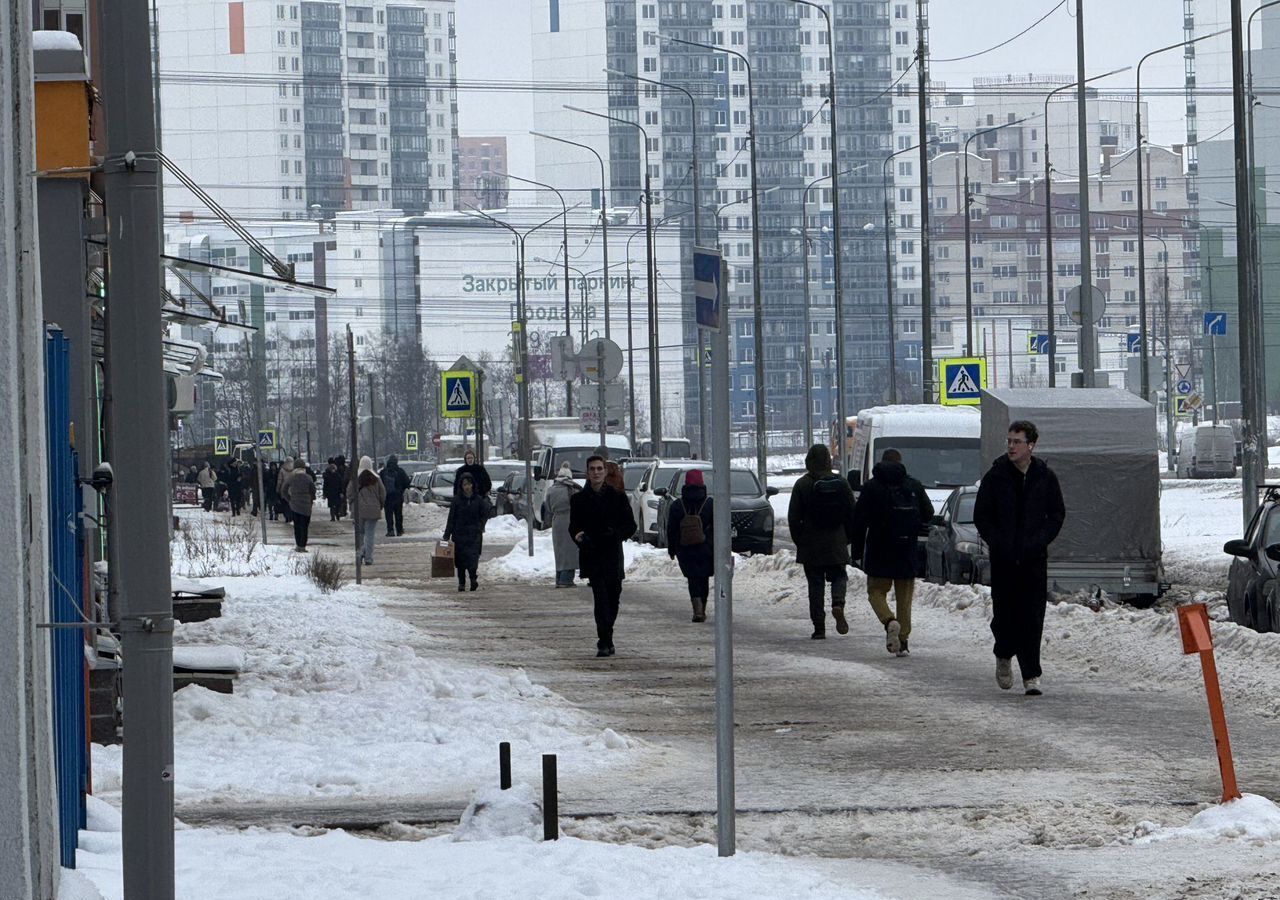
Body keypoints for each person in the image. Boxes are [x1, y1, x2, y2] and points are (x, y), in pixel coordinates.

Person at [974, 420, 1066, 697]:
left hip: (1034, 560)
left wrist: (1039, 540)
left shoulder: (1044, 477)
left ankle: (1031, 674)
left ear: (1031, 445)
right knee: (1005, 615)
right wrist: (998, 542)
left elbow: (1056, 515)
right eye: (1009, 441)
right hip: (1004, 560)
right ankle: (1003, 654)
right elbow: (982, 516)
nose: (1011, 446)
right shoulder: (996, 476)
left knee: (1032, 616)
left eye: (1017, 441)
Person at [850, 448, 934, 657]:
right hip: (906, 549)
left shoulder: (871, 487)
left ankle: (889, 620)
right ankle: (903, 641)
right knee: (904, 599)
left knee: (876, 593)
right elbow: (929, 513)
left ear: (882, 462)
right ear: (900, 463)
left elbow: (858, 521)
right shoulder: (912, 485)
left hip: (879, 549)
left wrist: (857, 552)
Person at [569, 454, 637, 657]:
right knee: (601, 599)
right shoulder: (579, 499)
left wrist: (616, 534)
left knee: (614, 596)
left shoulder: (617, 497)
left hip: (612, 555)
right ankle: (604, 641)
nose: (596, 472)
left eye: (600, 469)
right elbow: (574, 526)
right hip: (592, 555)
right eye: (592, 469)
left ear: (605, 472)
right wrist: (579, 537)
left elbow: (630, 525)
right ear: (587, 473)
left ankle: (608, 635)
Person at [787, 443, 857, 640]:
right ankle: (838, 603)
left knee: (815, 585)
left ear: (809, 461)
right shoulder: (841, 483)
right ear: (828, 460)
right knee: (839, 576)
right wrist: (847, 538)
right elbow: (852, 513)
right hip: (836, 541)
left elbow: (794, 517)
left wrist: (800, 541)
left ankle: (819, 627)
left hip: (811, 544)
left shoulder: (802, 485)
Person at [667, 468, 713, 623]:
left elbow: (671, 529)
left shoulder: (677, 505)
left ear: (685, 484)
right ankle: (703, 608)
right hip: (705, 548)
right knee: (704, 578)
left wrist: (672, 549)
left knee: (692, 578)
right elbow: (717, 528)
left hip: (685, 548)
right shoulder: (710, 503)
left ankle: (697, 609)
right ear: (702, 483)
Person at [443, 472, 491, 591]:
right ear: (461, 486)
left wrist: (480, 525)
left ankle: (473, 579)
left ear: (473, 485)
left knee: (473, 558)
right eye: (465, 484)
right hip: (459, 534)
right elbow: (451, 518)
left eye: (469, 484)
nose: (467, 487)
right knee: (460, 560)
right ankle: (462, 583)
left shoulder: (478, 500)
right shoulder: (457, 500)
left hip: (474, 534)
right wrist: (447, 534)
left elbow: (485, 513)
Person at [545, 461, 580, 587]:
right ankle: (566, 579)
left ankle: (559, 578)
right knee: (569, 551)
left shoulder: (551, 489)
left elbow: (547, 507)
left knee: (559, 551)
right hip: (569, 520)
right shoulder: (571, 489)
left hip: (556, 521)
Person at [350, 455, 387, 565]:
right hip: (373, 510)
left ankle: (359, 553)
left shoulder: (355, 479)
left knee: (360, 534)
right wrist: (380, 505)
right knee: (370, 535)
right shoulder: (376, 479)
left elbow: (349, 493)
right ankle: (368, 558)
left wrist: (351, 503)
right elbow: (383, 493)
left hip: (358, 511)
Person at [282, 458, 316, 552]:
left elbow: (284, 489)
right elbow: (313, 490)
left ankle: (298, 545)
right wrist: (311, 499)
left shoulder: (291, 477)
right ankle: (303, 545)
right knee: (305, 526)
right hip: (306, 505)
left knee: (297, 526)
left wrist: (289, 499)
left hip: (295, 505)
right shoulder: (308, 478)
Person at [380, 454, 411, 536]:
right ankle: (399, 530)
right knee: (398, 514)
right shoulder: (400, 471)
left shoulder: (383, 472)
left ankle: (390, 530)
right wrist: (401, 489)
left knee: (388, 514)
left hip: (387, 497)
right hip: (398, 496)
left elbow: (380, 484)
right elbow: (407, 482)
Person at [276, 457, 295, 524]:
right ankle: (292, 517)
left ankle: (287, 517)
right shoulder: (294, 470)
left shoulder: (282, 470)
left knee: (285, 504)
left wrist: (278, 489)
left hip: (284, 489)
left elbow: (279, 481)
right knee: (291, 504)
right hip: (292, 490)